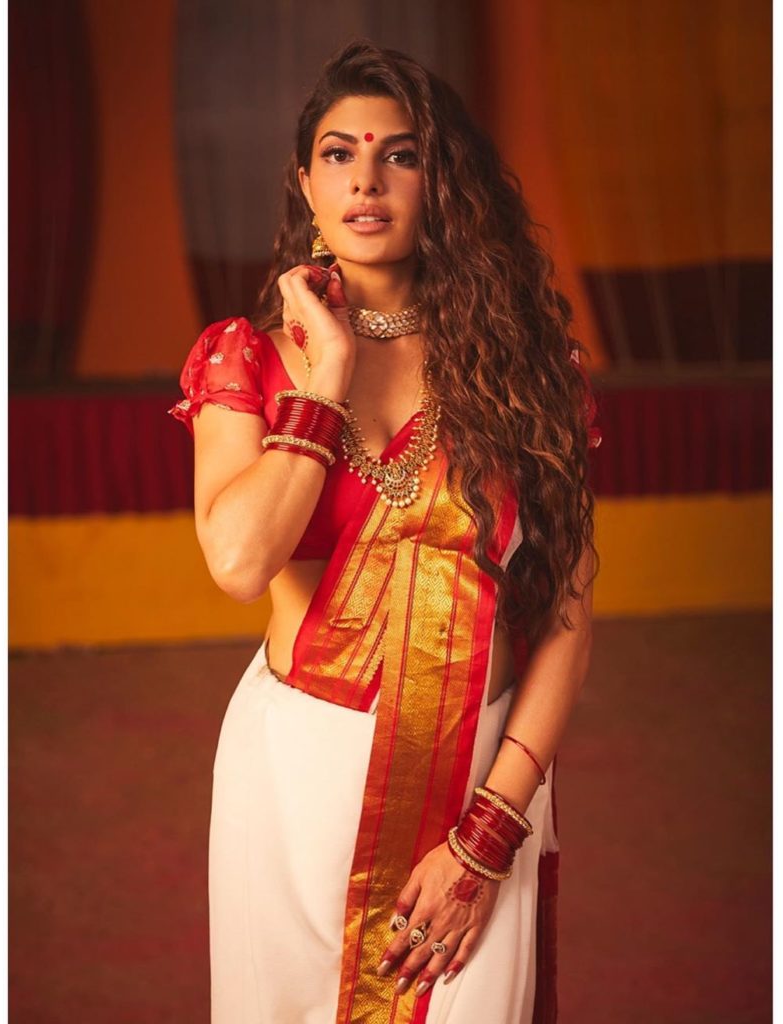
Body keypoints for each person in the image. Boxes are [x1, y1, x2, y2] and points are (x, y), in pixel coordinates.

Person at [169, 38, 601, 1024]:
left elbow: (570, 616)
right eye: (338, 153)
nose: (366, 179)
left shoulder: (528, 370)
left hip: (480, 783)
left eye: (399, 153)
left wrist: (490, 833)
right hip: (295, 794)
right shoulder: (251, 359)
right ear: (304, 183)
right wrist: (322, 385)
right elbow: (239, 561)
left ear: (439, 179)